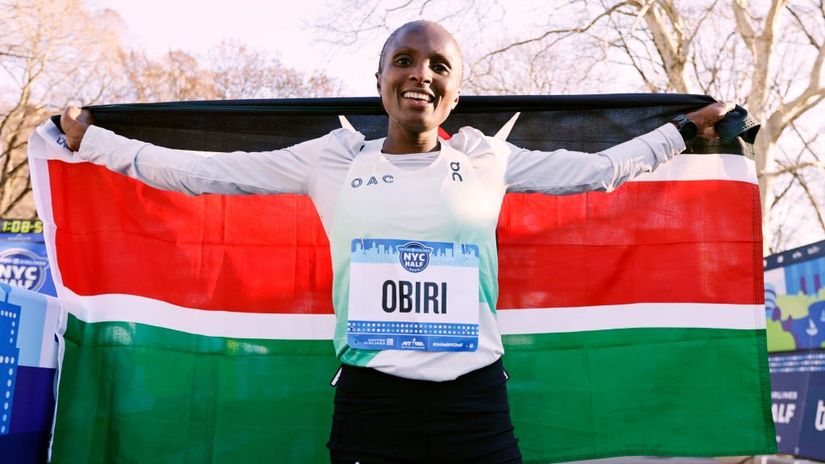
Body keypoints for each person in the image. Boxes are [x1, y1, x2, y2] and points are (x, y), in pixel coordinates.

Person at [61, 20, 732, 464]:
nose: (420, 73)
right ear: (379, 79)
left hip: (473, 401)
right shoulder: (328, 159)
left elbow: (598, 172)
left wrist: (680, 132)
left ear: (454, 90)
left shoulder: (487, 159)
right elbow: (201, 173)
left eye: (437, 65)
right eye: (403, 61)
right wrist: (96, 142)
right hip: (372, 404)